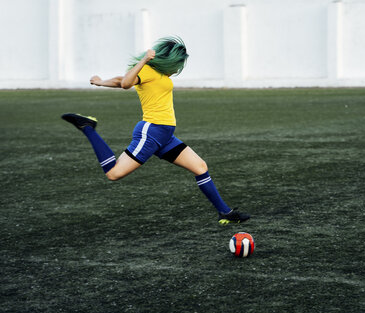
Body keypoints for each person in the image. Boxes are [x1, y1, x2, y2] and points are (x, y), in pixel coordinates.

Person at [61, 36, 249, 225]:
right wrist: (144, 59)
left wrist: (101, 82)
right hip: (151, 133)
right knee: (113, 173)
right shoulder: (146, 68)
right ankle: (88, 128)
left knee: (200, 167)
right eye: (178, 64)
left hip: (165, 136)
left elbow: (122, 80)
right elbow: (126, 84)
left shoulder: (157, 74)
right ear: (170, 60)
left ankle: (225, 213)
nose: (178, 69)